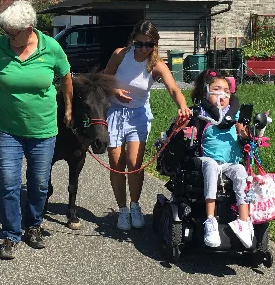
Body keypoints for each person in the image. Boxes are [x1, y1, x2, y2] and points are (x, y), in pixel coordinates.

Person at [0, 0, 72, 260]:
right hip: (8, 128)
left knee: (39, 184)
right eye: (5, 33)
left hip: (43, 129)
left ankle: (33, 226)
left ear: (29, 29)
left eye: (12, 34)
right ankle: (10, 234)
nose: (7, 38)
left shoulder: (51, 47)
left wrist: (68, 108)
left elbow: (66, 77)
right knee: (8, 183)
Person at [103, 20, 191, 231]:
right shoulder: (120, 54)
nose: (143, 49)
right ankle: (122, 210)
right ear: (132, 41)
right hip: (115, 112)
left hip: (138, 115)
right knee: (116, 164)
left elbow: (173, 89)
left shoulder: (157, 64)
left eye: (148, 45)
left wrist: (183, 106)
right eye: (139, 44)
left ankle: (135, 205)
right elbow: (105, 78)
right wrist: (115, 92)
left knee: (134, 163)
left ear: (155, 44)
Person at [192, 69, 253, 249]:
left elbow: (243, 133)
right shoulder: (202, 113)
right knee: (211, 166)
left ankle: (243, 221)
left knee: (241, 171)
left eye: (226, 91)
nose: (222, 94)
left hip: (230, 162)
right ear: (206, 91)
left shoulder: (234, 116)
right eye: (217, 89)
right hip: (208, 159)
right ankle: (210, 220)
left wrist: (247, 133)